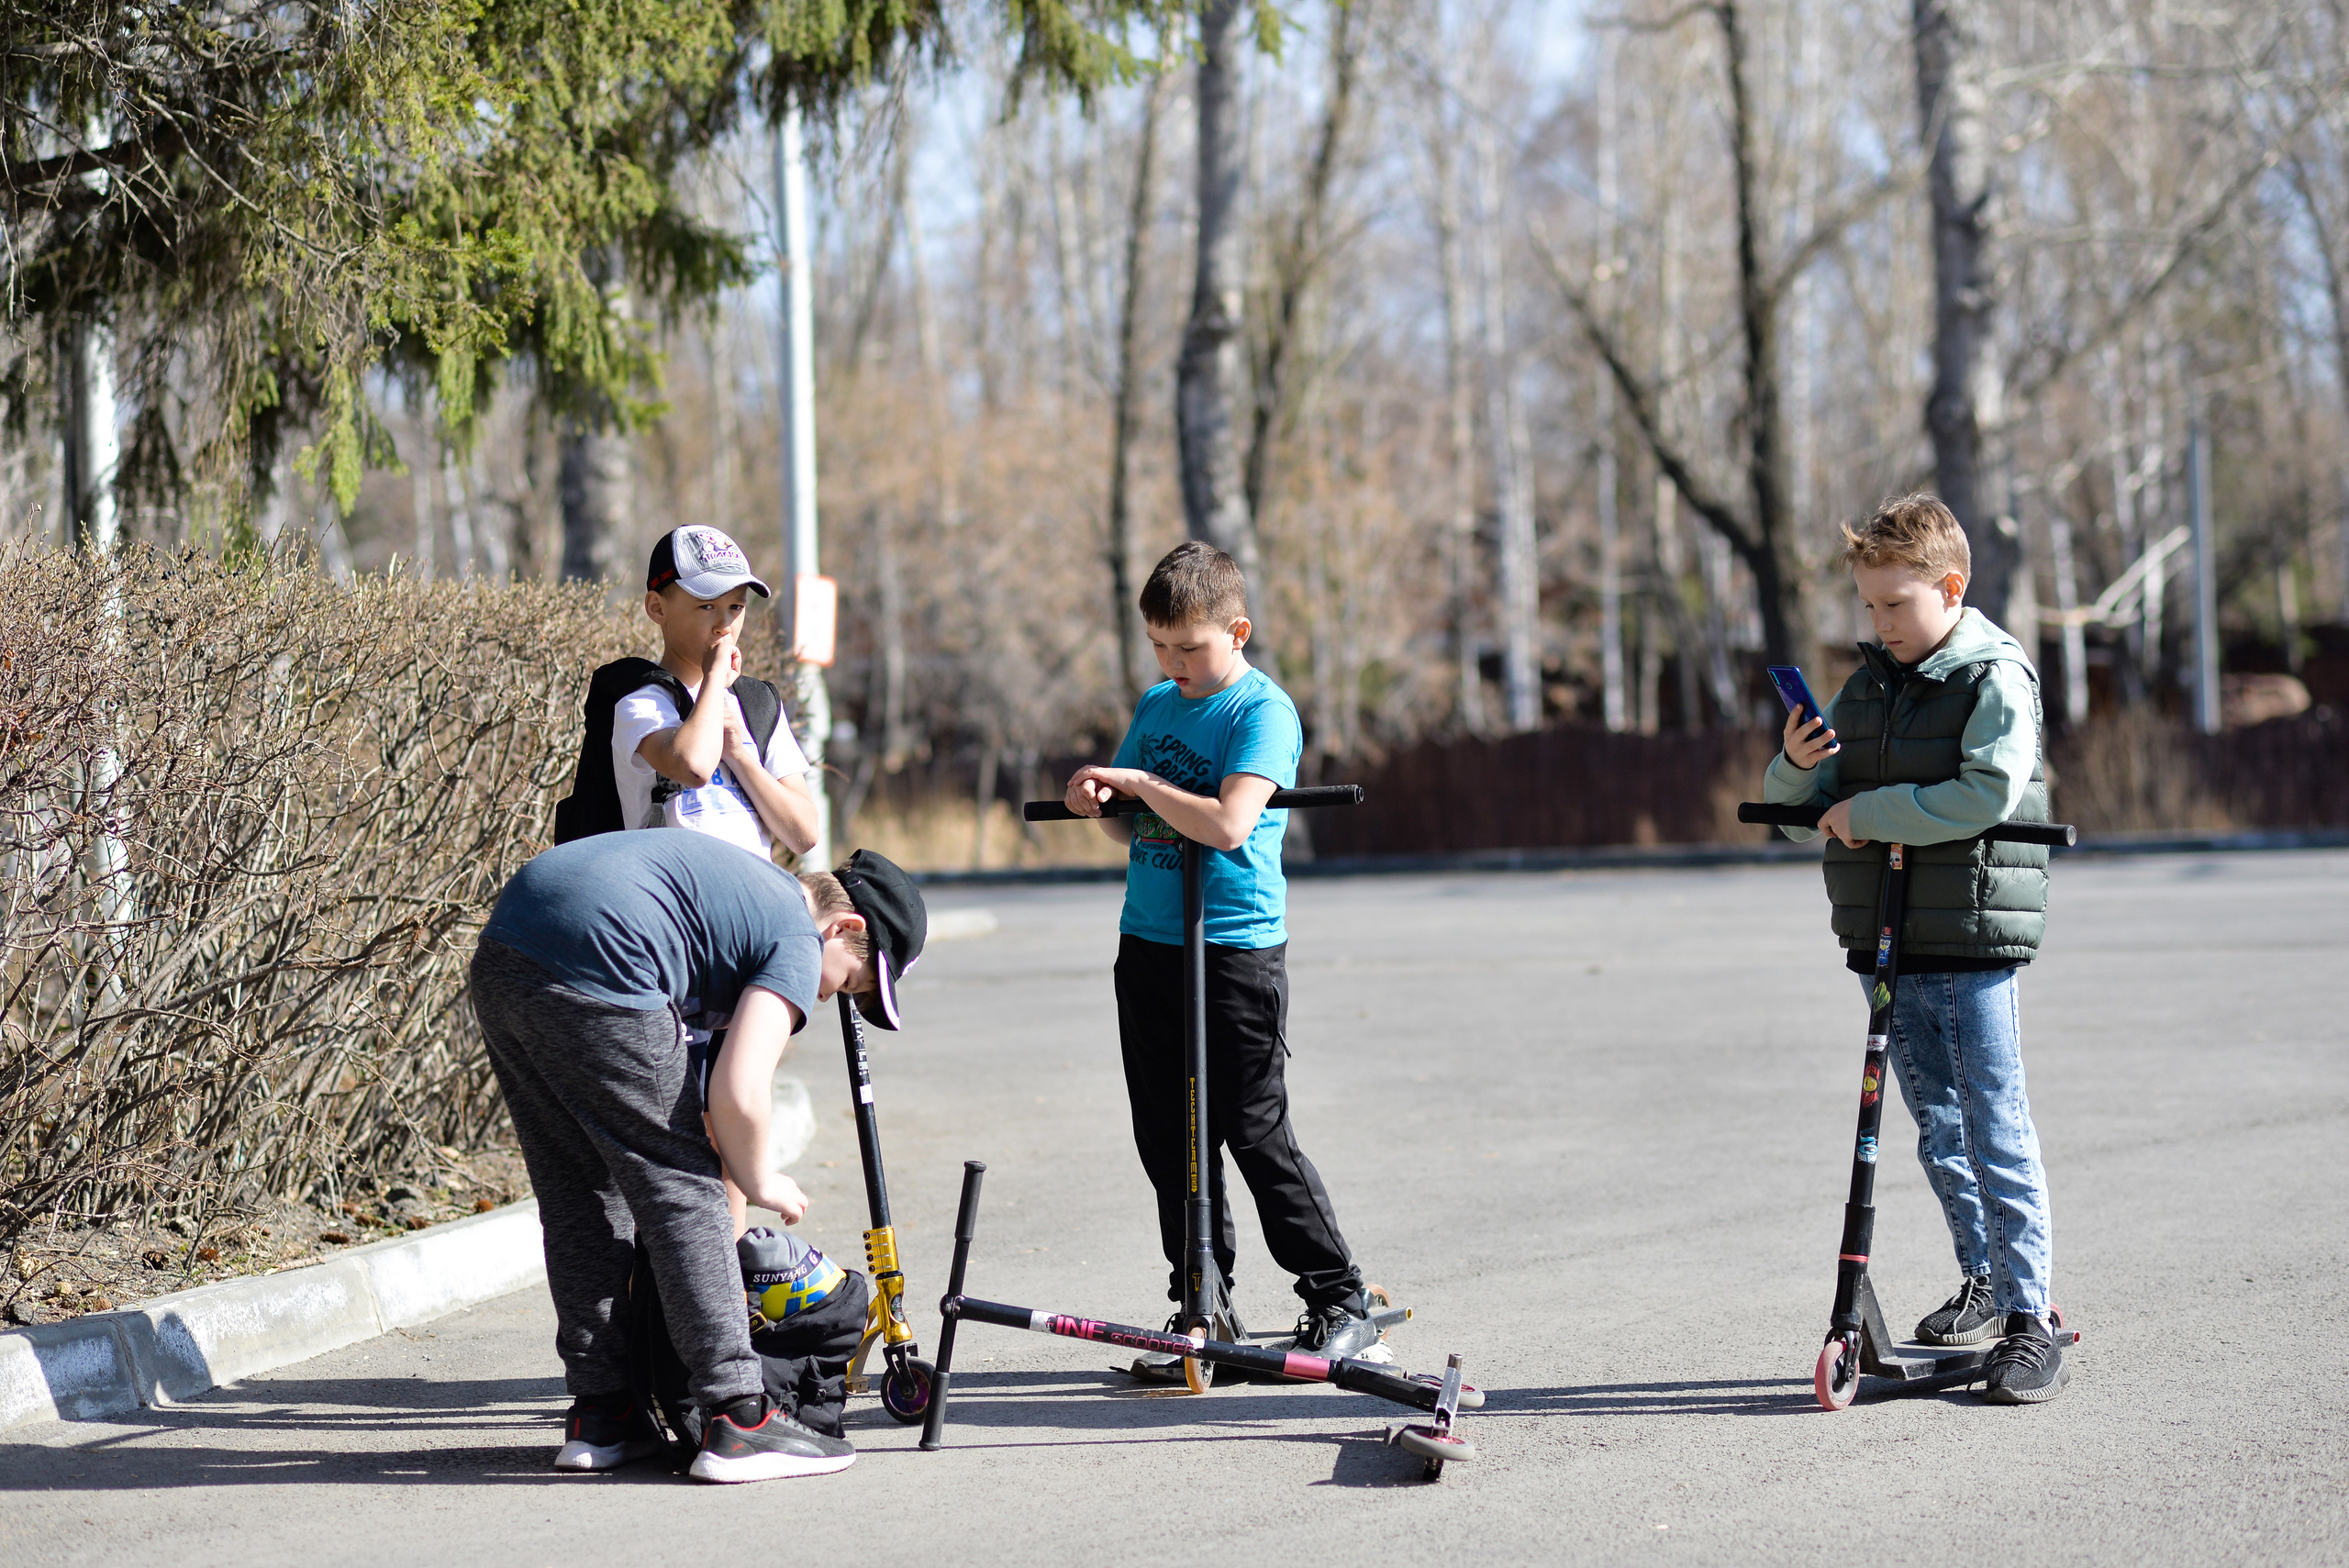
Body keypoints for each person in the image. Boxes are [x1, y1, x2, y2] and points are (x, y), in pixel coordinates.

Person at [470, 830, 927, 1480]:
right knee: (684, 1187)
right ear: (843, 926)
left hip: (505, 956)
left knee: (581, 1190)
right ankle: (740, 1415)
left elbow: (707, 1096)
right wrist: (759, 1176)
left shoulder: (741, 900)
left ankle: (603, 1412)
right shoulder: (796, 934)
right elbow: (739, 1093)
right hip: (606, 957)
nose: (828, 1000)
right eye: (849, 982)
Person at [1762, 493, 2068, 1405]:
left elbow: (1983, 793)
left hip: (1968, 932)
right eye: (1867, 606)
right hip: (1885, 937)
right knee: (1938, 1122)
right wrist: (1796, 762)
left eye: (1895, 604)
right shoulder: (1867, 687)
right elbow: (1797, 819)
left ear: (1950, 586)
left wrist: (1871, 810)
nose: (1879, 622)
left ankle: (2029, 1313)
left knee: (1992, 1120)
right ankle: (1982, 1278)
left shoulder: (1992, 678)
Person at [1063, 540, 1383, 1370]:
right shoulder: (1159, 703)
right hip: (1151, 943)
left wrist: (1137, 786)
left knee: (1251, 1126)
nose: (1174, 664)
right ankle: (1202, 1306)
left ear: (1236, 630)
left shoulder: (1261, 713)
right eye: (1160, 648)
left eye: (1190, 648)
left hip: (1234, 947)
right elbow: (1134, 821)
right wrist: (1097, 798)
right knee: (1169, 1138)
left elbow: (1228, 822)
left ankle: (1339, 1296)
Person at [607, 524, 821, 860]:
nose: (725, 624)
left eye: (736, 607)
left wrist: (739, 754)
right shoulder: (643, 701)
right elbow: (693, 767)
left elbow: (805, 834)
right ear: (657, 608)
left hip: (750, 900)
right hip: (675, 903)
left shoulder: (757, 703)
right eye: (706, 606)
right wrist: (713, 680)